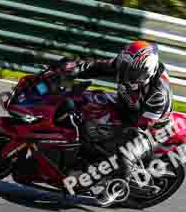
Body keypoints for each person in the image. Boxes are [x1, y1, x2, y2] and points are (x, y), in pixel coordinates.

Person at [54, 40, 173, 185]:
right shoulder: (125, 64)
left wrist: (105, 130)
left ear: (146, 71)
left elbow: (140, 128)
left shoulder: (158, 95)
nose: (125, 75)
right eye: (125, 69)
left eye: (132, 73)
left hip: (150, 127)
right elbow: (98, 67)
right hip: (126, 104)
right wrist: (74, 69)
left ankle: (118, 186)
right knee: (84, 103)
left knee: (123, 152)